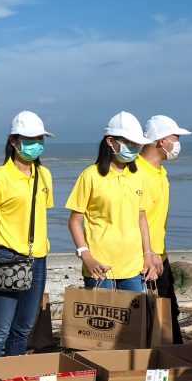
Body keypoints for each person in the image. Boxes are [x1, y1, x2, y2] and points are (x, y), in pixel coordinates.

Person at [0, 111, 55, 357]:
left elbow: (41, 215)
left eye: (39, 139)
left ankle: (13, 375)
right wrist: (10, 237)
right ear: (14, 141)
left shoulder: (44, 175)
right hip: (7, 258)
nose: (36, 145)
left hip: (38, 259)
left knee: (24, 328)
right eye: (30, 139)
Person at [66, 112, 161, 291]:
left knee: (136, 310)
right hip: (99, 266)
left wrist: (148, 254)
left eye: (137, 144)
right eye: (129, 143)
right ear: (110, 141)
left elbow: (141, 218)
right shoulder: (90, 175)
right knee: (103, 311)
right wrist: (85, 255)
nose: (135, 148)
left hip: (134, 266)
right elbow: (75, 221)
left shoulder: (138, 176)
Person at [138, 115, 192, 345]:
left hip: (160, 254)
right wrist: (148, 254)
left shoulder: (160, 172)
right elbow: (136, 217)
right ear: (161, 141)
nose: (178, 143)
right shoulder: (137, 172)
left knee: (169, 312)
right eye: (175, 138)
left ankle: (174, 356)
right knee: (150, 316)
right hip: (143, 256)